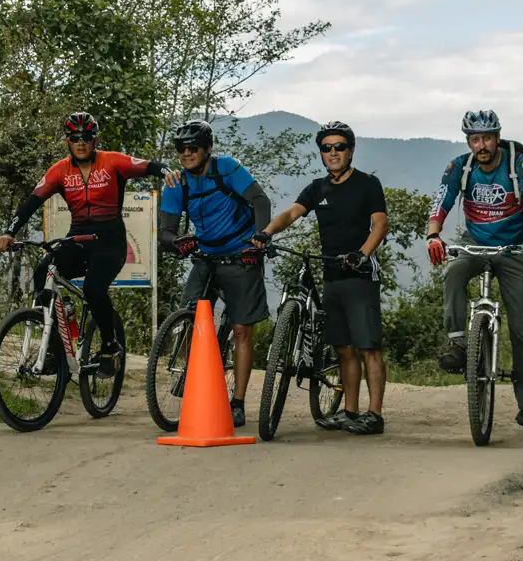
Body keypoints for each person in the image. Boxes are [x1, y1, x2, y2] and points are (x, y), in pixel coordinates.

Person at [0, 112, 165, 379]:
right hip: (77, 238)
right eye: (75, 138)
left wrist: (169, 171)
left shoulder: (112, 162)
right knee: (43, 273)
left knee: (93, 289)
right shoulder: (59, 170)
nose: (81, 142)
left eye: (86, 137)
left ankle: (110, 347)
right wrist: (9, 232)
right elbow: (31, 203)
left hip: (110, 242)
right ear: (68, 141)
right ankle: (56, 347)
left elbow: (149, 165)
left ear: (95, 139)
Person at [425, 109, 523, 437]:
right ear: (469, 141)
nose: (482, 145)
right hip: (475, 242)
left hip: (515, 249)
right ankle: (457, 343)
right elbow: (442, 201)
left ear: (498, 137)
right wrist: (433, 235)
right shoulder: (460, 167)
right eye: (475, 139)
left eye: (487, 138)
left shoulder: (519, 165)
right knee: (453, 271)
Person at [258, 120, 389, 435]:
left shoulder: (368, 184)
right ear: (321, 153)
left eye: (339, 147)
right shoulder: (317, 188)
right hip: (331, 275)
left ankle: (375, 415)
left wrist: (363, 254)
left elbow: (380, 224)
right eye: (326, 148)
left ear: (351, 150)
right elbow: (291, 213)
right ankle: (350, 412)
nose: (333, 153)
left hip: (359, 276)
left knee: (368, 347)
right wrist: (266, 232)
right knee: (344, 348)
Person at [158, 119, 271, 427]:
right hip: (205, 256)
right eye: (181, 149)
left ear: (207, 149)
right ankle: (192, 373)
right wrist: (177, 241)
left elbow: (260, 200)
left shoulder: (227, 169)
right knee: (187, 318)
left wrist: (259, 237)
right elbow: (165, 233)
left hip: (240, 254)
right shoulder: (177, 182)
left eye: (193, 148)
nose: (186, 154)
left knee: (241, 330)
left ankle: (237, 402)